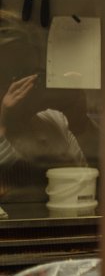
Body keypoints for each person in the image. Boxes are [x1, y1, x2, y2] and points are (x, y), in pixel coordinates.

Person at [0, 13, 87, 208]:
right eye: (11, 74)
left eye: (32, 73)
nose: (26, 84)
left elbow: (85, 181)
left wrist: (79, 108)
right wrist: (3, 121)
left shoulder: (54, 120)